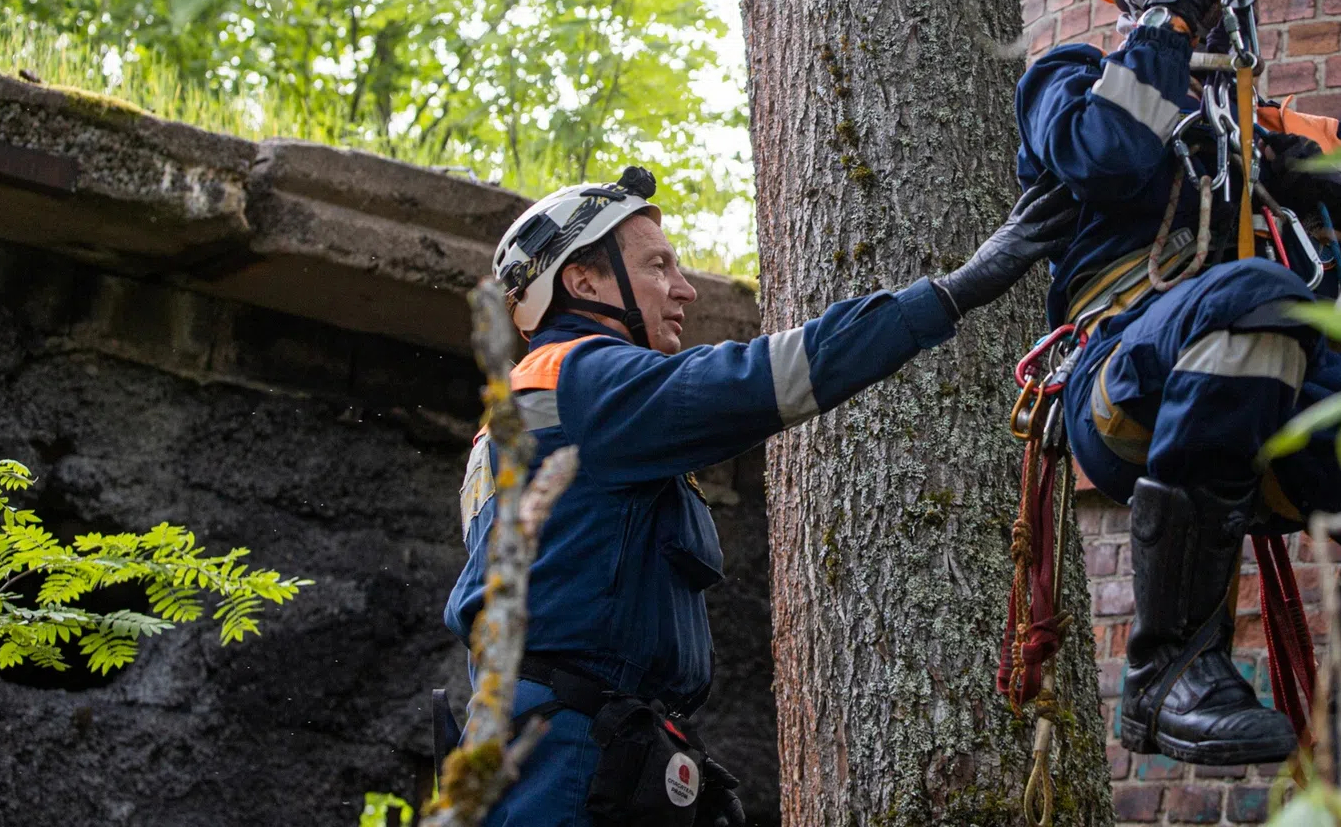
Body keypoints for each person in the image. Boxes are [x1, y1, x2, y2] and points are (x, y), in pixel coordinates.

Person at [1011, 0, 1341, 826]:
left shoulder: (1287, 132)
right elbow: (1109, 154)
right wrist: (1178, 6)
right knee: (1256, 298)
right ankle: (1171, 671)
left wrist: (1339, 190)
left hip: (1283, 404)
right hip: (1133, 384)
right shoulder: (1077, 81)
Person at [442, 165, 1076, 827]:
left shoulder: (528, 413)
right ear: (583, 281)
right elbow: (757, 381)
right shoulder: (581, 383)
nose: (684, 290)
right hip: (568, 759)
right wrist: (953, 292)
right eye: (659, 266)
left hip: (574, 742)